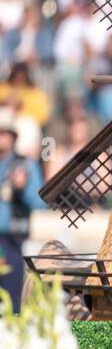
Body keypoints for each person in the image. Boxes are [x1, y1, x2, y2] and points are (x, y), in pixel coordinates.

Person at [0, 110, 43, 310]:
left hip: (12, 240)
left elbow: (39, 202)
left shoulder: (25, 165)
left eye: (4, 133)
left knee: (12, 300)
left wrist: (23, 188)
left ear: (13, 136)